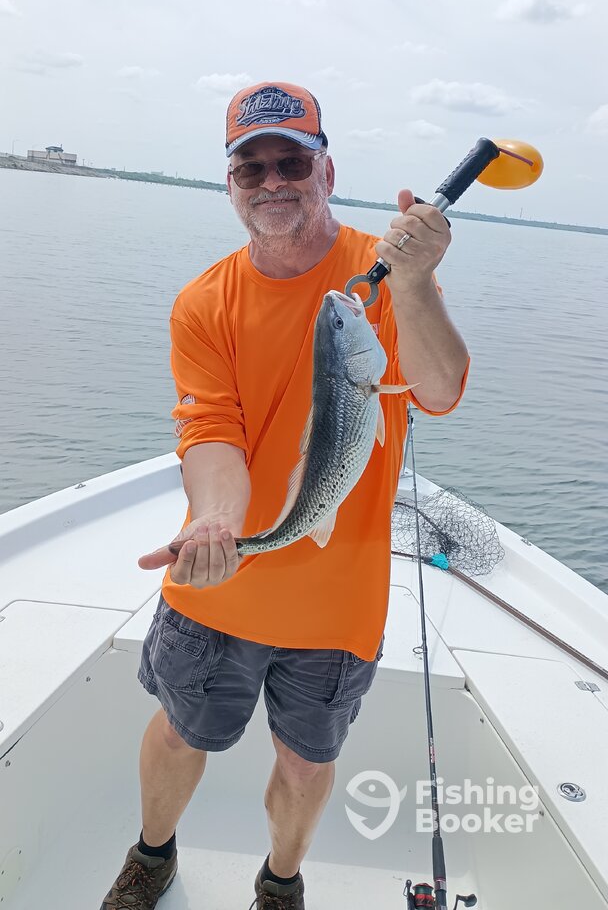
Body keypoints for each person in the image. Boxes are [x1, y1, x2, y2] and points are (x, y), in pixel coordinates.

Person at [100, 81, 470, 910]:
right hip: (219, 576)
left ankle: (280, 880)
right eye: (251, 167)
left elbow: (440, 392)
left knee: (306, 763)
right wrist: (218, 523)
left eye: (292, 163)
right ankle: (152, 855)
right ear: (231, 184)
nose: (273, 181)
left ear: (326, 171)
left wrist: (415, 285)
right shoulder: (204, 302)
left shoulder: (386, 274)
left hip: (339, 597)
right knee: (181, 733)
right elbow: (211, 432)